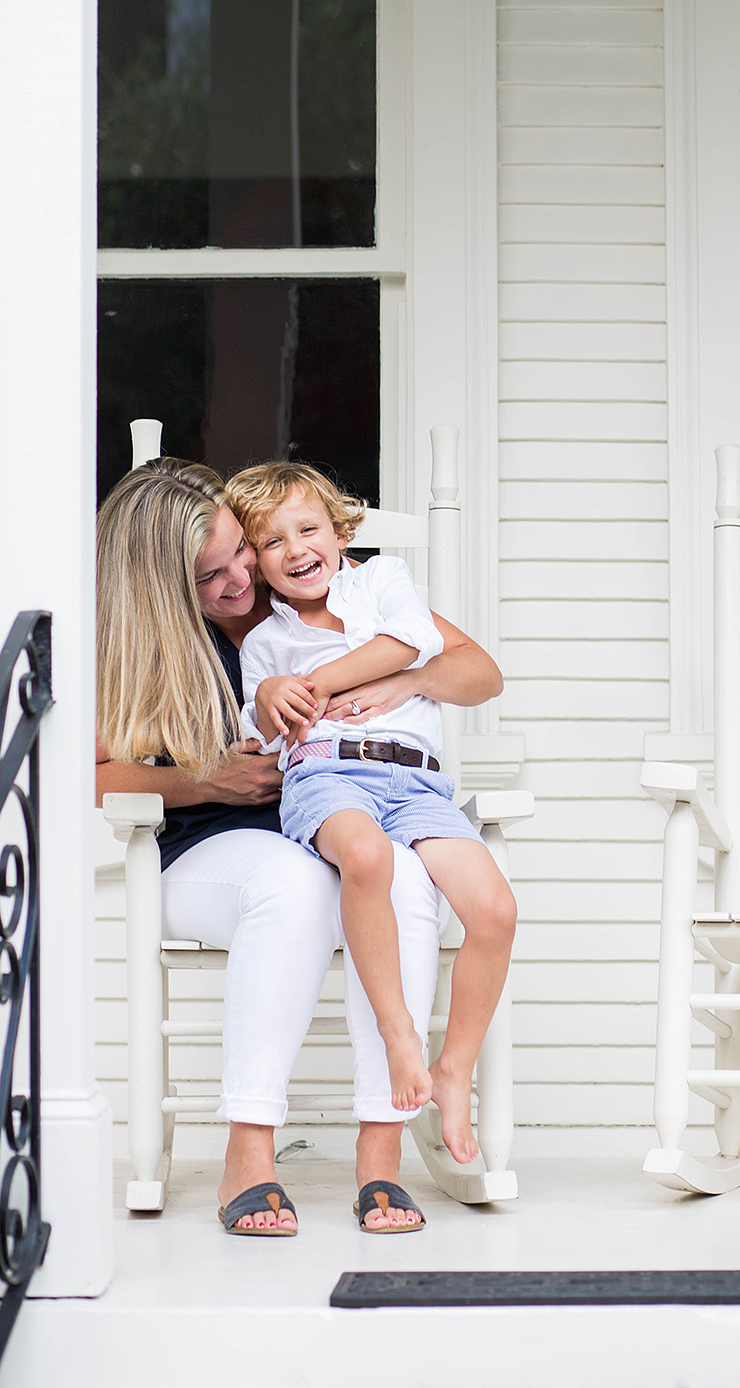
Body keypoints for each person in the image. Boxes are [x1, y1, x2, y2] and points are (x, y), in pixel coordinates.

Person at [96, 458, 503, 1236]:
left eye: (239, 553)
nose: (239, 581)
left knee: (405, 877)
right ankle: (248, 1153)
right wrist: (204, 781)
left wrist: (408, 682)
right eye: (209, 575)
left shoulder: (332, 597)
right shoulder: (147, 641)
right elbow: (86, 771)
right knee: (296, 884)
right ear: (163, 584)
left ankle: (382, 1152)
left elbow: (475, 670)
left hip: (343, 820)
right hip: (209, 850)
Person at [226, 460, 518, 1168]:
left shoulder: (382, 581)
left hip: (417, 783)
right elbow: (262, 729)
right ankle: (398, 1034)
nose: (297, 550)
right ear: (257, 561)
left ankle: (454, 1068)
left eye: (309, 529)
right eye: (273, 541)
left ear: (340, 531)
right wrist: (266, 700)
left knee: (494, 910)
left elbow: (414, 639)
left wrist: (318, 683)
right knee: (366, 856)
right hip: (327, 774)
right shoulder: (266, 644)